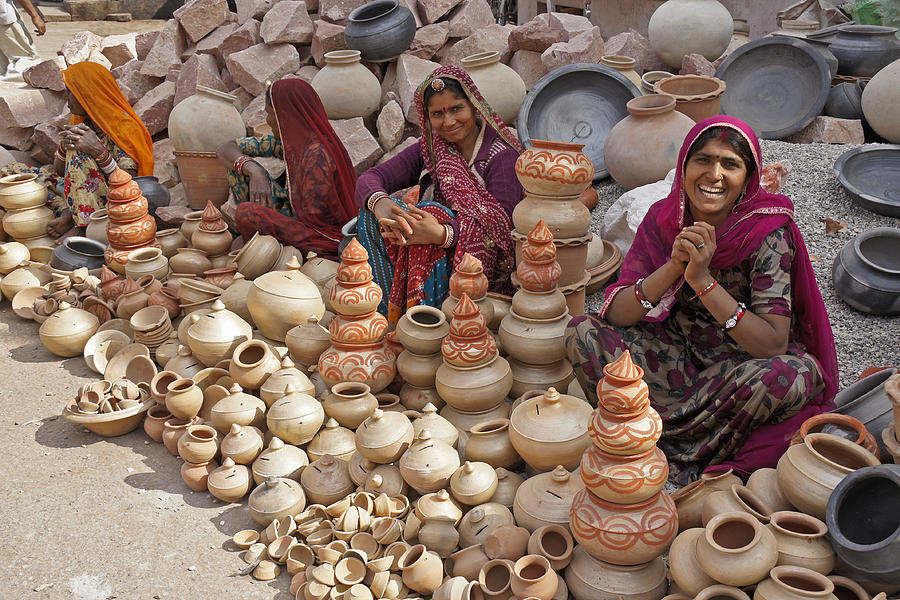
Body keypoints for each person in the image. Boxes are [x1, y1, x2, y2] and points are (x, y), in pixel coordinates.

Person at [565, 116, 838, 482]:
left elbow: (773, 344)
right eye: (703, 160)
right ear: (683, 167)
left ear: (747, 179)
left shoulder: (767, 233)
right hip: (677, 357)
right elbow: (617, 315)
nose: (714, 175)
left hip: (739, 371)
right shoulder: (664, 220)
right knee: (581, 330)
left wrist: (703, 280)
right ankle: (672, 443)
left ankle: (655, 443)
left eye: (730, 164)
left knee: (793, 376)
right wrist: (675, 266)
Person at [355, 66, 524, 324]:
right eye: (438, 114)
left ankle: (425, 324)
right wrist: (382, 205)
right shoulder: (433, 148)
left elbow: (503, 229)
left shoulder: (500, 156)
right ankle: (387, 316)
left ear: (474, 105)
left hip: (481, 269)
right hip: (432, 244)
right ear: (427, 117)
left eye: (456, 108)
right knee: (371, 216)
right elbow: (370, 179)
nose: (448, 122)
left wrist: (442, 234)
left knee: (432, 213)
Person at [1, 61, 154, 239]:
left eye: (70, 92)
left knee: (79, 154)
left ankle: (82, 226)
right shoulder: (80, 124)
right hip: (76, 192)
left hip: (110, 199)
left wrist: (99, 152)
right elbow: (60, 171)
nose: (66, 98)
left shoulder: (124, 127)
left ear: (86, 95)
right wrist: (64, 150)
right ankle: (68, 212)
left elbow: (130, 180)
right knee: (13, 173)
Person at [216, 78, 358, 259]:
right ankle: (260, 246)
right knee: (238, 165)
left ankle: (264, 255)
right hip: (300, 219)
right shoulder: (290, 142)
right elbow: (225, 148)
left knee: (247, 213)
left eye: (269, 114)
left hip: (326, 237)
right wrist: (254, 171)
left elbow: (315, 222)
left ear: (284, 115)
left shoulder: (317, 155)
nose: (267, 121)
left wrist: (267, 219)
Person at [0, 0, 43, 82]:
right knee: (28, 59)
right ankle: (15, 84)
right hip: (3, 17)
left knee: (1, 66)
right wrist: (35, 15)